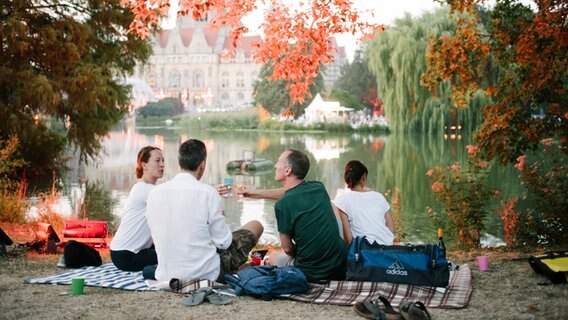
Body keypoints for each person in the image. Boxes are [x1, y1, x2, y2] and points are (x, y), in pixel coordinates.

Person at [145, 139, 263, 282]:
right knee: (255, 226)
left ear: (180, 162)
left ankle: (233, 270)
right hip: (205, 273)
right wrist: (219, 218)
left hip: (166, 273)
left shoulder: (155, 193)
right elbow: (224, 242)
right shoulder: (208, 193)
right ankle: (233, 270)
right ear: (202, 165)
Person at [242, 149, 347, 282]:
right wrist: (256, 194)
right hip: (340, 266)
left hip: (313, 273)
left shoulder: (282, 205)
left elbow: (287, 248)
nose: (275, 166)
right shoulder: (318, 188)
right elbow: (291, 192)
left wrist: (306, 252)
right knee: (331, 205)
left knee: (273, 257)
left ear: (287, 171)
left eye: (278, 162)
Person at [110, 146, 164, 271]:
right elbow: (175, 197)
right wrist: (206, 193)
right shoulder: (143, 189)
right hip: (126, 255)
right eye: (157, 161)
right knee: (173, 254)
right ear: (144, 165)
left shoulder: (148, 189)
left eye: (163, 161)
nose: (162, 165)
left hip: (131, 252)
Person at [334, 160, 396, 246]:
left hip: (364, 252)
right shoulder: (379, 197)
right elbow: (392, 230)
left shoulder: (341, 200)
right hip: (386, 250)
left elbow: (348, 240)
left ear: (347, 179)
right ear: (363, 177)